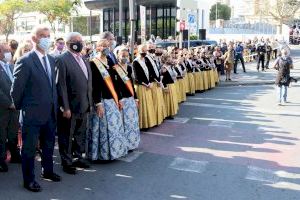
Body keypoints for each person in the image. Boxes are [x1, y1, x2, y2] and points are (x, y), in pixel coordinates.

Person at [11, 25, 60, 192]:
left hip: (50, 113)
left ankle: (48, 171)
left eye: (48, 35)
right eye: (42, 35)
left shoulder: (52, 59)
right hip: (31, 114)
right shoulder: (25, 60)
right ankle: (29, 180)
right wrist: (22, 108)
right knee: (29, 149)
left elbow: (51, 86)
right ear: (34, 39)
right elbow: (16, 90)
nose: (46, 38)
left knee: (48, 145)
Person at [56, 32, 93, 174]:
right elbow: (61, 85)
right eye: (75, 41)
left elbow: (88, 82)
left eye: (81, 40)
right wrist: (65, 107)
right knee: (66, 135)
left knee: (79, 134)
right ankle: (67, 162)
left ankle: (78, 158)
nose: (79, 43)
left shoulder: (83, 58)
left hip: (83, 105)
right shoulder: (61, 59)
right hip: (70, 107)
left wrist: (90, 102)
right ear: (67, 43)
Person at [87, 39, 128, 161]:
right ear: (97, 47)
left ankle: (114, 152)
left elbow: (115, 82)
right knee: (103, 128)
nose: (106, 48)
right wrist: (98, 103)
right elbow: (94, 85)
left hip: (112, 99)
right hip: (101, 100)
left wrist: (119, 98)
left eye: (108, 46)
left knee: (115, 127)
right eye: (103, 46)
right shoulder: (93, 63)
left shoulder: (110, 61)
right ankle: (101, 155)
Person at [114, 47, 140, 151]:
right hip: (121, 99)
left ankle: (131, 143)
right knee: (122, 122)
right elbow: (116, 86)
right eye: (122, 55)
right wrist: (119, 99)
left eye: (126, 55)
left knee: (131, 123)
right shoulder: (114, 68)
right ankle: (123, 144)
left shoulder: (129, 68)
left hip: (130, 98)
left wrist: (136, 98)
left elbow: (131, 85)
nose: (124, 57)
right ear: (118, 56)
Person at [0, 43, 21, 173]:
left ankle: (14, 154)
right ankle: (1, 159)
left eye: (9, 50)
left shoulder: (12, 66)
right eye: (6, 51)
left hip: (15, 108)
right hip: (3, 108)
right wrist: (8, 103)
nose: (9, 53)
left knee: (13, 132)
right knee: (1, 135)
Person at [133, 45, 156, 130]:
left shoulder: (145, 60)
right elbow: (137, 77)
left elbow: (149, 72)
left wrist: (150, 82)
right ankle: (142, 125)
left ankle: (148, 123)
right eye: (143, 50)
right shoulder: (136, 62)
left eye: (146, 50)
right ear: (139, 50)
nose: (145, 52)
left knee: (148, 105)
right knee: (143, 106)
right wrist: (146, 84)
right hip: (141, 86)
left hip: (147, 85)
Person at [145, 43, 166, 125]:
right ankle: (155, 119)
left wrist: (160, 77)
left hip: (158, 80)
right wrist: (157, 80)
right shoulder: (146, 58)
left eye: (153, 47)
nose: (152, 49)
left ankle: (159, 118)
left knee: (159, 101)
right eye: (150, 47)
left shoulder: (154, 57)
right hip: (153, 82)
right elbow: (149, 71)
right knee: (155, 101)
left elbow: (156, 68)